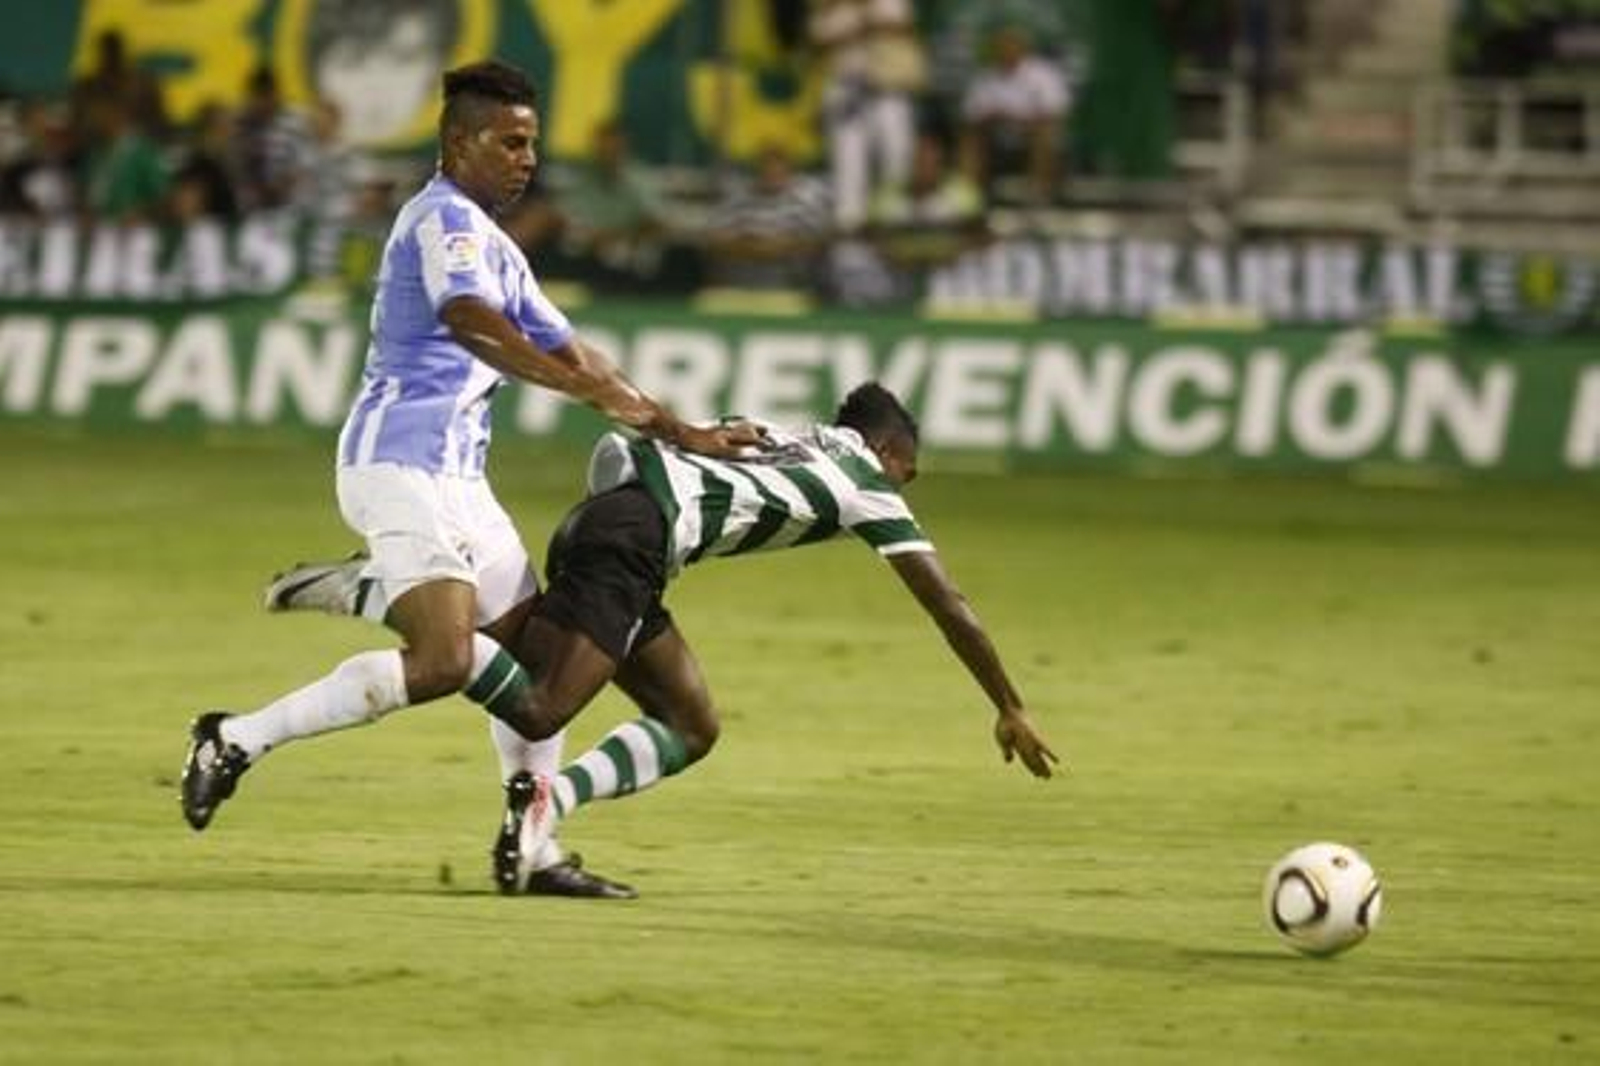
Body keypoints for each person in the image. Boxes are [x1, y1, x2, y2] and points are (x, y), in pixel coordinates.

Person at [178, 60, 760, 898]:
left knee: (534, 676)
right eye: (511, 142)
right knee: (447, 658)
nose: (528, 159)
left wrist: (678, 428)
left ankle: (534, 849)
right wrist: (572, 385)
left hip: (461, 486)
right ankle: (232, 738)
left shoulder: (497, 246)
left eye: (533, 144)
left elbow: (577, 354)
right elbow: (468, 321)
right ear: (460, 143)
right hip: (396, 466)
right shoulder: (441, 220)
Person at [270, 383, 1059, 896]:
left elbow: (622, 450)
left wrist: (613, 534)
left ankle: (542, 810)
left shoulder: (774, 430)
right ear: (889, 453)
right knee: (541, 706)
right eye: (906, 474)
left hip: (620, 529)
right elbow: (947, 602)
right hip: (633, 543)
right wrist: (1009, 704)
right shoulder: (865, 483)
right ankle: (377, 590)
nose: (902, 490)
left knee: (691, 722)